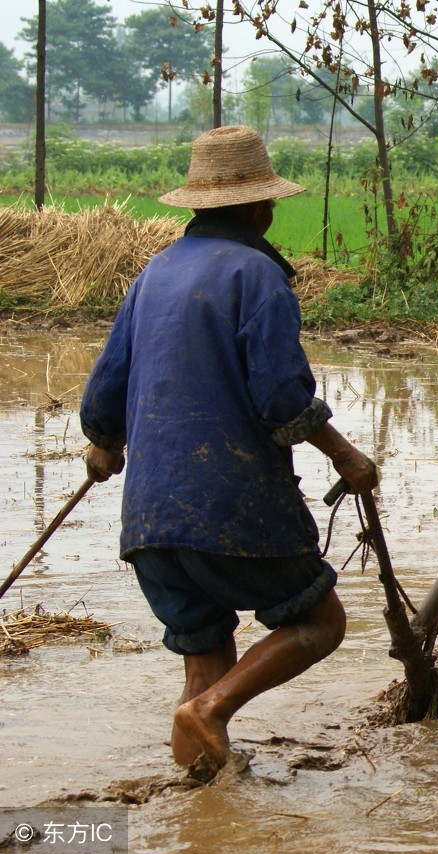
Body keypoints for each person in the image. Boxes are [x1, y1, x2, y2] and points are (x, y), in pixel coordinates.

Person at [79, 125, 378, 776]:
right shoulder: (257, 274)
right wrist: (346, 455)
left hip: (150, 521)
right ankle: (215, 709)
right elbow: (281, 399)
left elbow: (105, 390)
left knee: (202, 662)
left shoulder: (153, 273)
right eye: (268, 202)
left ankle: (199, 816)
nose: (272, 212)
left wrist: (103, 444)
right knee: (320, 623)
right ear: (254, 206)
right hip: (232, 505)